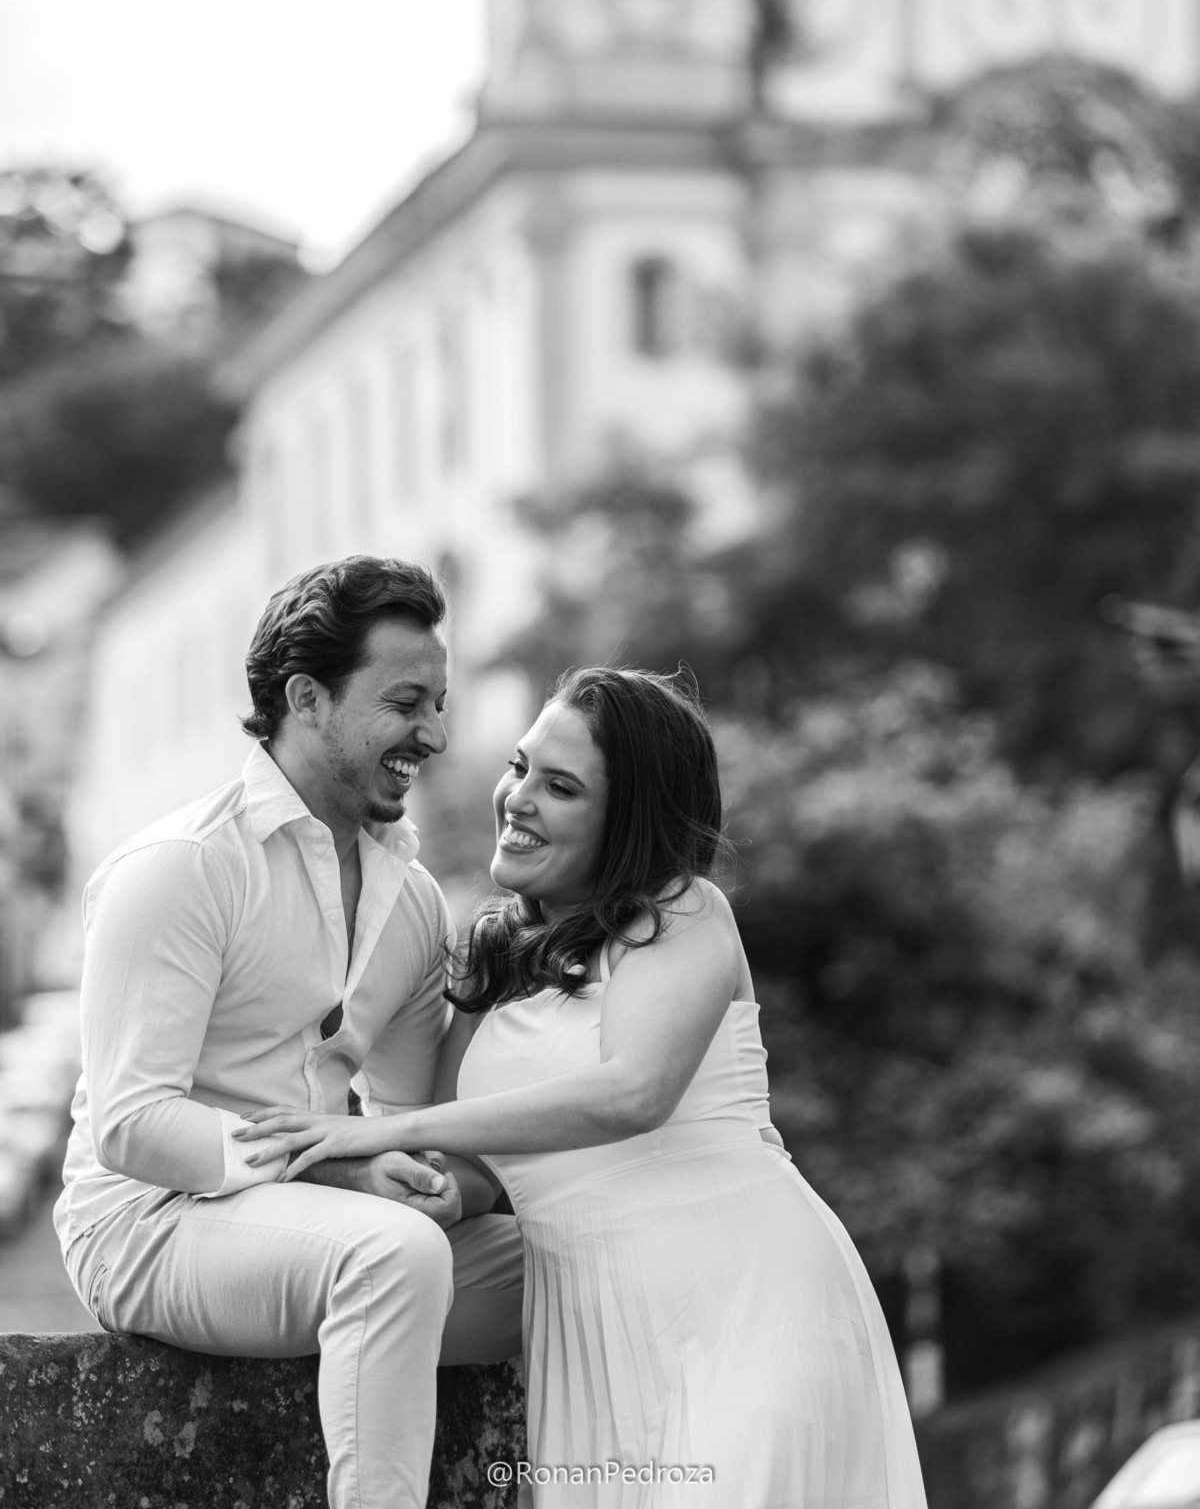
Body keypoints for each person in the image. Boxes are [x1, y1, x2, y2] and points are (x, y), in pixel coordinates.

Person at [238, 666, 929, 1509]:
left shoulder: (681, 913)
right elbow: (476, 1163)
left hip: (746, 1304)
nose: (518, 799)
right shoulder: (492, 959)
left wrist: (378, 1131)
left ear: (627, 821)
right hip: (589, 1338)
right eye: (520, 767)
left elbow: (635, 1091)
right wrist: (429, 1189)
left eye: (560, 787)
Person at [54, 555, 524, 1509]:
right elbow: (131, 1125)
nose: (435, 735)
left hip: (325, 1231)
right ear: (307, 698)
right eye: (405, 703)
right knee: (390, 1257)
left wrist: (436, 1182)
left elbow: (409, 1116)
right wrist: (337, 1174)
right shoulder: (182, 867)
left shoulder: (412, 899)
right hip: (148, 1223)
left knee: (579, 1262)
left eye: (439, 704)